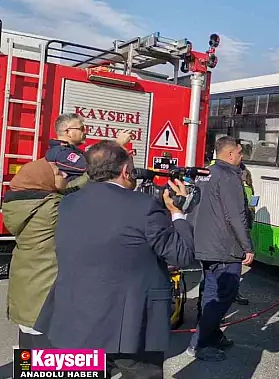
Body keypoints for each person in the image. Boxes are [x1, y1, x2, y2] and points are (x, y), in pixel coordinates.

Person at [34, 140, 195, 379]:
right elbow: (181, 255)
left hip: (76, 318)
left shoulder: (68, 203)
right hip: (131, 325)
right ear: (125, 171)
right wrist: (177, 212)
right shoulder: (145, 207)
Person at [187, 136, 254, 361]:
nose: (241, 156)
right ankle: (200, 344)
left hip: (206, 245)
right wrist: (247, 246)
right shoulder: (229, 177)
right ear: (230, 154)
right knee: (224, 295)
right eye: (239, 152)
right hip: (225, 247)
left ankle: (211, 336)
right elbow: (236, 216)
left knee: (210, 295)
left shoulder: (207, 174)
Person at [3, 159, 67, 348]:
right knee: (54, 361)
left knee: (29, 354)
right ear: (43, 180)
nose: (64, 175)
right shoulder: (53, 207)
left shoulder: (19, 205)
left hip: (26, 290)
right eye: (58, 172)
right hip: (45, 295)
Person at [45, 113, 131, 191]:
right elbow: (95, 166)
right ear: (68, 132)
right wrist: (117, 144)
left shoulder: (68, 151)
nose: (85, 132)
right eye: (81, 129)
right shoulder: (60, 152)